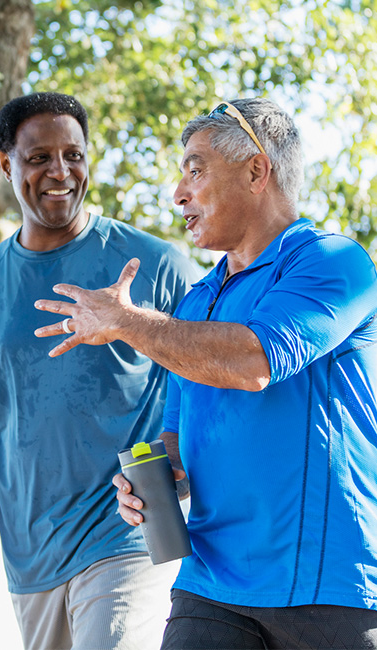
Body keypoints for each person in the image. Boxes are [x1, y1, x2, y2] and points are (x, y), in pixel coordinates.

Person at [34, 97, 377, 649]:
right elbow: (180, 437)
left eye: (196, 170)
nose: (179, 194)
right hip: (210, 582)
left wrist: (126, 321)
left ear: (256, 170)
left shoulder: (334, 261)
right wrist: (156, 477)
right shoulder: (195, 302)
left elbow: (255, 361)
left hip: (325, 584)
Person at [0, 91, 197, 650]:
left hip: (133, 535)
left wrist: (181, 469)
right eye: (39, 159)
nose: (60, 172)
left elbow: (213, 379)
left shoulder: (155, 264)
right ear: (4, 163)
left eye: (73, 155)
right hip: (30, 561)